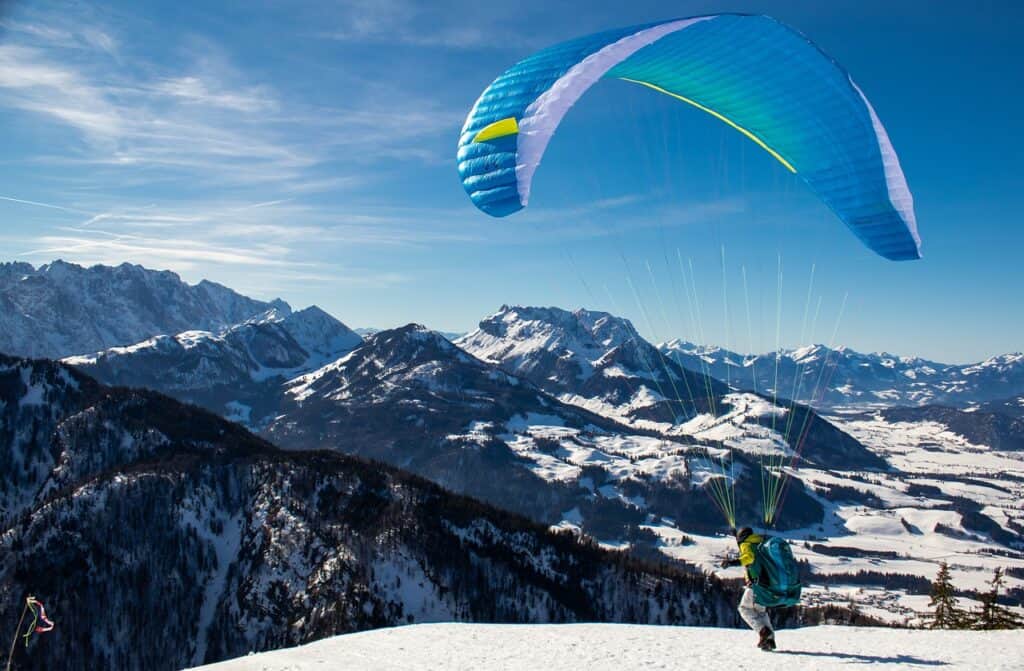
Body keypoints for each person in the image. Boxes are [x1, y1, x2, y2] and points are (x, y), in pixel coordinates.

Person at [720, 527, 776, 651]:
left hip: (756, 585)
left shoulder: (746, 544)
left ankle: (763, 632)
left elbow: (748, 557)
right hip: (769, 584)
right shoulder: (760, 543)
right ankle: (769, 640)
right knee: (760, 612)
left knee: (744, 608)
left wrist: (732, 562)